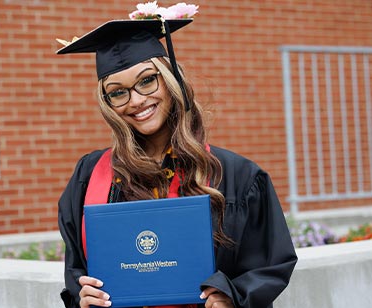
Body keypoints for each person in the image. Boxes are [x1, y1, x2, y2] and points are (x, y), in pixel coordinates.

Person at [56, 3, 297, 308]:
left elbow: (268, 264)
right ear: (108, 103)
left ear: (170, 80)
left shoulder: (238, 176)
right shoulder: (89, 176)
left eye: (147, 80)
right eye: (118, 92)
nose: (137, 101)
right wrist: (82, 294)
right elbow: (77, 269)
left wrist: (232, 295)